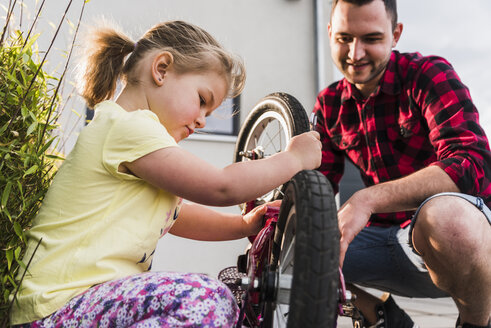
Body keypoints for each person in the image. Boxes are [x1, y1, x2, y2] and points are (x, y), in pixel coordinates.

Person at [10, 20, 322, 327]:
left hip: (79, 306)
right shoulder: (128, 126)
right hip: (58, 306)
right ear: (161, 69)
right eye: (202, 101)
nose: (201, 120)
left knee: (214, 306)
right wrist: (293, 157)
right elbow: (221, 187)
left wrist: (242, 225)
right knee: (206, 299)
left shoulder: (132, 140)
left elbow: (176, 217)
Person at [313, 0, 491, 327]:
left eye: (371, 38)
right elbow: (317, 187)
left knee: (446, 217)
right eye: (344, 38)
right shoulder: (329, 105)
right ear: (329, 34)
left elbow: (471, 164)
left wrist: (367, 199)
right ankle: (379, 314)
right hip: (386, 240)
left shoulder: (428, 75)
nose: (355, 54)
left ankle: (476, 322)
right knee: (294, 242)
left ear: (396, 35)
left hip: (463, 247)